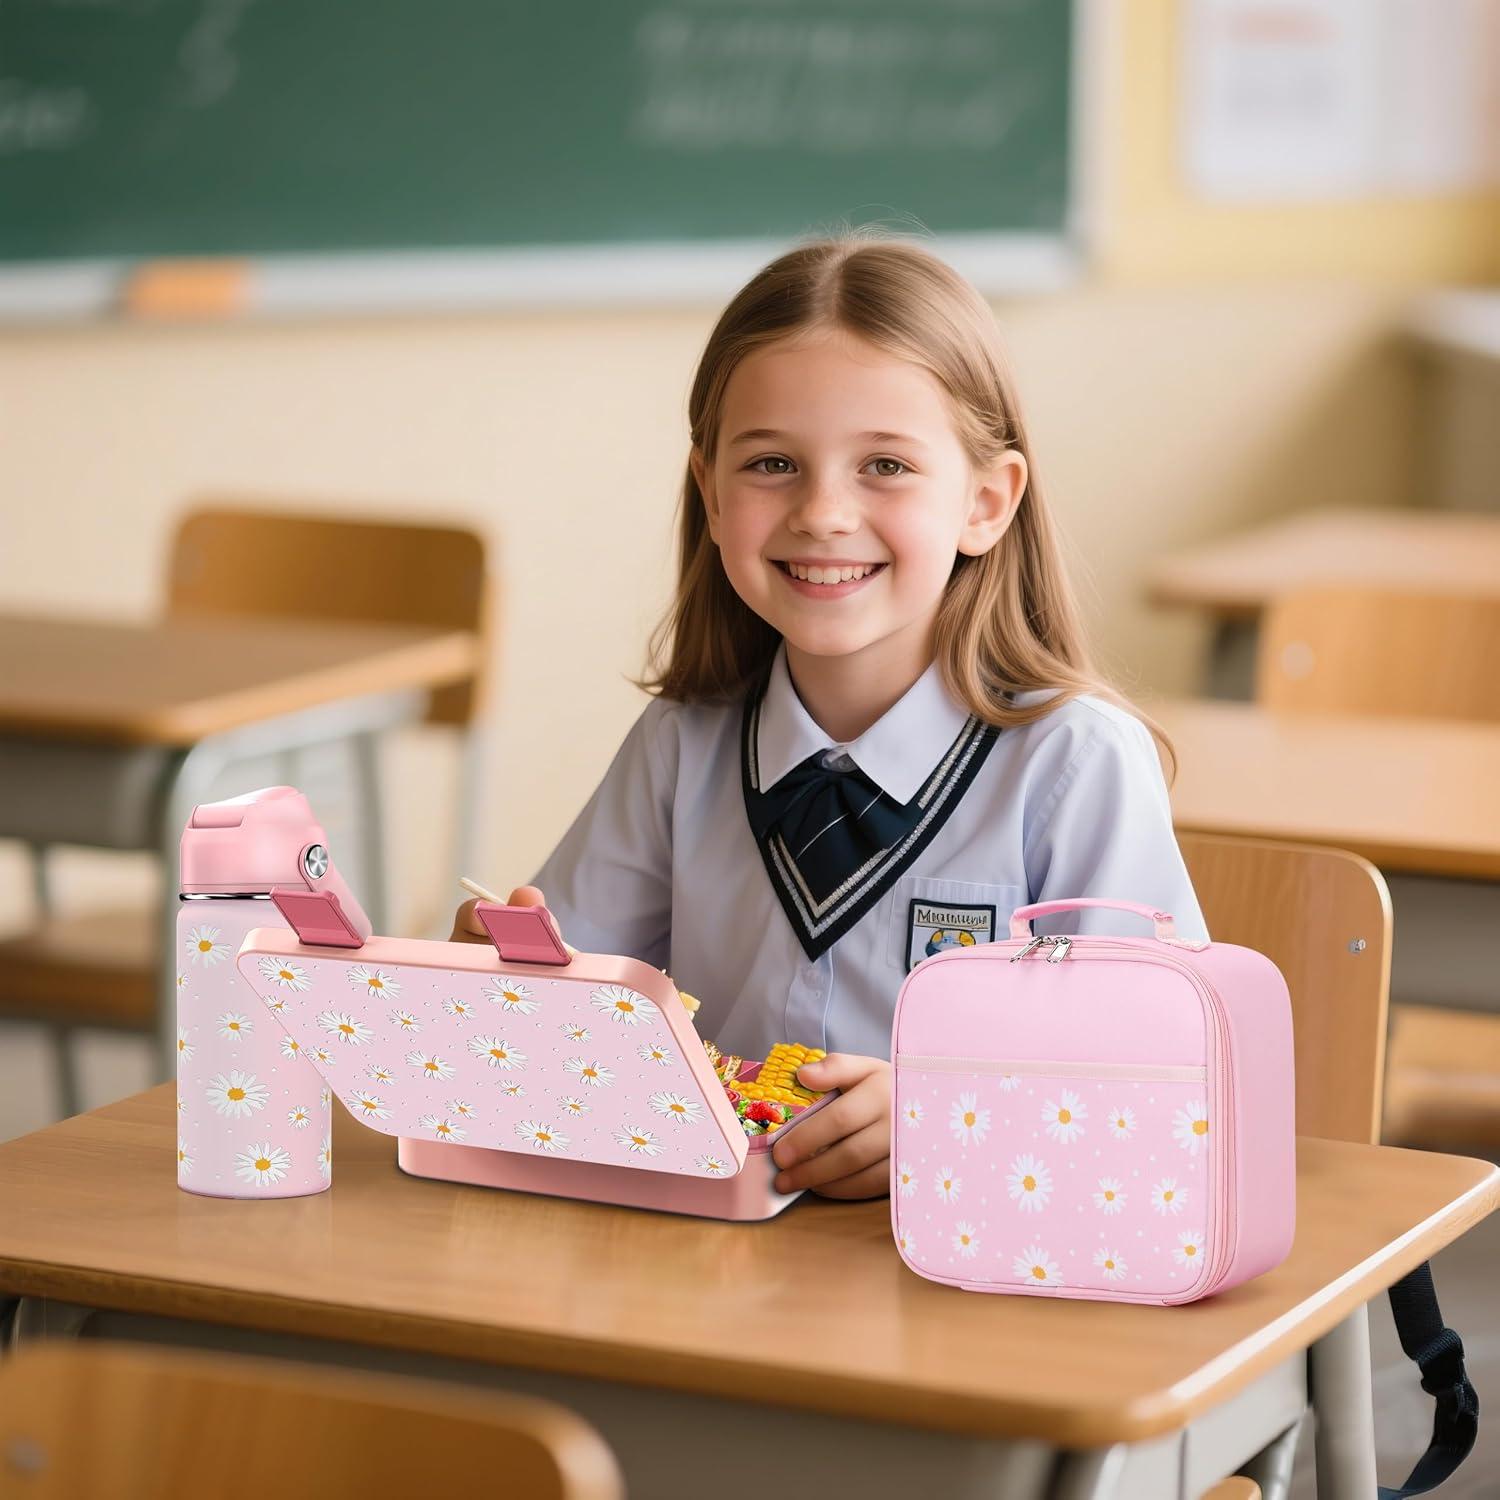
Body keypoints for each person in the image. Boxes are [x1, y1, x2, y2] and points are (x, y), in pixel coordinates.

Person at [452, 233, 1207, 1202]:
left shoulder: (1071, 764)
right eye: (771, 464)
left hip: (966, 1280)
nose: (822, 513)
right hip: (711, 1268)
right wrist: (498, 982)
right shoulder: (685, 744)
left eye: (885, 466)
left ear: (985, 503)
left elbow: (1159, 1087)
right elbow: (571, 1017)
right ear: (712, 498)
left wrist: (954, 1114)